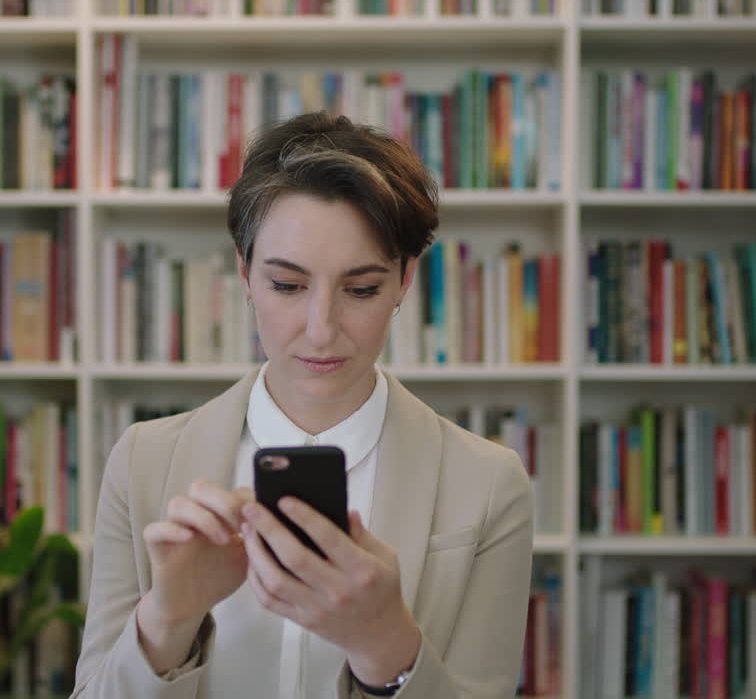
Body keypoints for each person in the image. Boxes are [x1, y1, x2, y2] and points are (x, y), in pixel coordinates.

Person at [71, 111, 535, 699]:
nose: (321, 330)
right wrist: (167, 620)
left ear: (405, 281)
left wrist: (385, 644)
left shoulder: (490, 485)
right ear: (244, 274)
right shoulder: (143, 462)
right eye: (287, 285)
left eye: (361, 289)